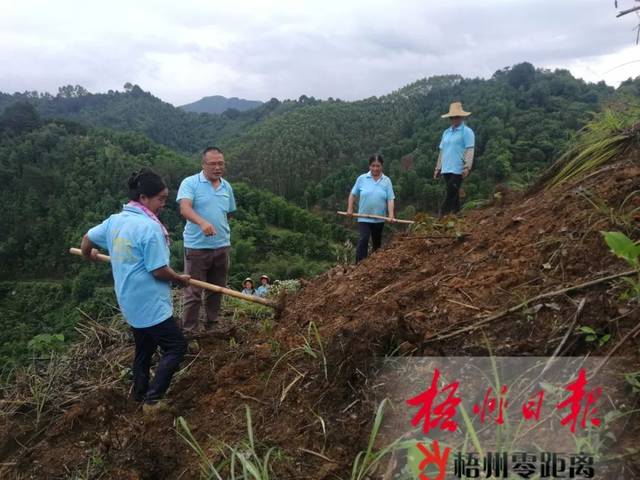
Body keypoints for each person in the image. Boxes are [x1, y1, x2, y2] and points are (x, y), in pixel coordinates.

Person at [80, 168, 189, 414]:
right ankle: (153, 399)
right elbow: (159, 270)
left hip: (129, 301)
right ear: (143, 198)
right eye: (160, 199)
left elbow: (87, 238)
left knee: (144, 348)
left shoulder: (115, 220)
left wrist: (90, 256)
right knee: (177, 346)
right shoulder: (150, 228)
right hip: (150, 303)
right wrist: (180, 279)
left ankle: (139, 394)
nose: (163, 204)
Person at [177, 146, 237, 338]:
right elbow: (184, 208)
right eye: (213, 164)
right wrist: (202, 222)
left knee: (216, 288)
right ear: (203, 164)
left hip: (221, 246)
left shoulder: (226, 186)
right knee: (193, 292)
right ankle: (189, 331)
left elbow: (229, 213)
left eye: (221, 163)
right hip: (196, 248)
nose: (217, 167)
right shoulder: (190, 183)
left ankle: (212, 324)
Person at [346, 154, 396, 263]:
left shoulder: (386, 181)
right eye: (373, 166)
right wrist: (350, 209)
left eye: (378, 166)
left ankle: (375, 265)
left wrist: (391, 215)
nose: (375, 168)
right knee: (363, 239)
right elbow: (353, 194)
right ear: (369, 166)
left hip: (379, 218)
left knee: (377, 243)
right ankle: (359, 264)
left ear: (382, 166)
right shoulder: (362, 178)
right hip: (364, 217)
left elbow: (390, 199)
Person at [433, 102, 475, 216]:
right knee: (454, 194)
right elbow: (442, 151)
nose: (454, 119)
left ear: (461, 117)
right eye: (452, 117)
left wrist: (467, 167)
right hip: (446, 169)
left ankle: (441, 216)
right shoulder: (446, 133)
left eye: (457, 116)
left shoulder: (467, 132)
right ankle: (457, 215)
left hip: (458, 169)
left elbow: (470, 150)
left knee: (450, 192)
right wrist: (438, 168)